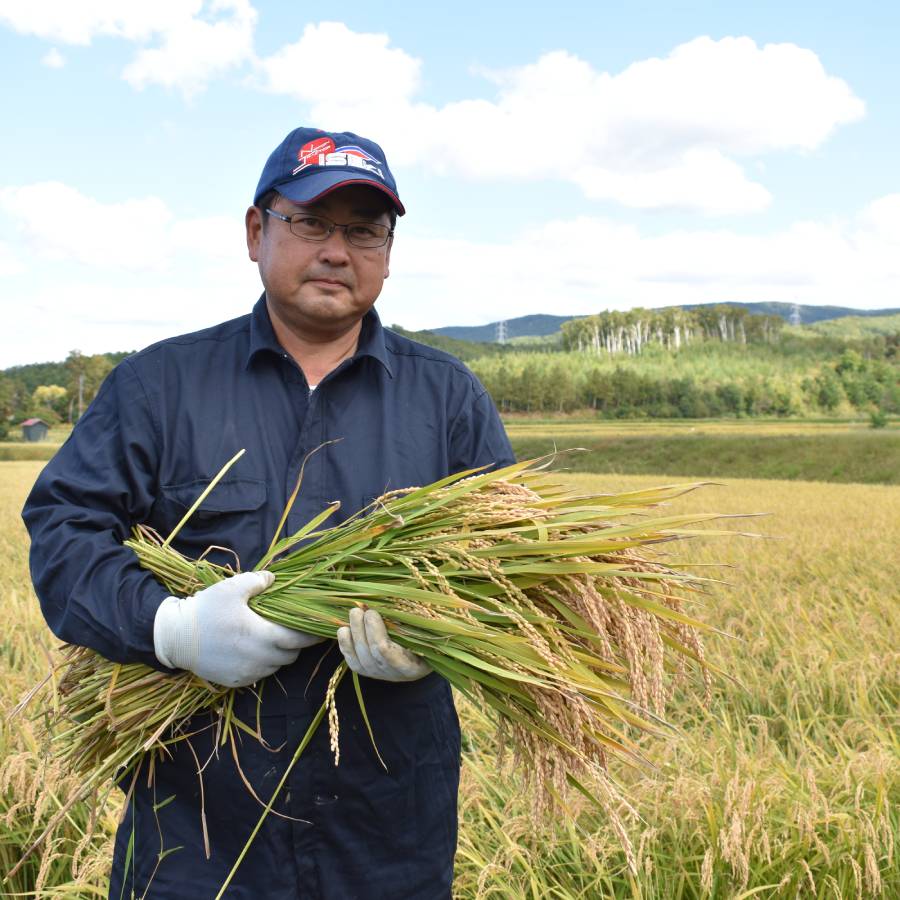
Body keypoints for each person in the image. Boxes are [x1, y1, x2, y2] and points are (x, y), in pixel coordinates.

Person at [22, 126, 515, 899]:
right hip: (195, 841)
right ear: (257, 231)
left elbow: (512, 576)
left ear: (388, 251)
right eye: (311, 223)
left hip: (388, 844)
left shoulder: (447, 399)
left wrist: (439, 638)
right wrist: (172, 629)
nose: (336, 250)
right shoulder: (160, 386)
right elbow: (64, 534)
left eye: (364, 231)